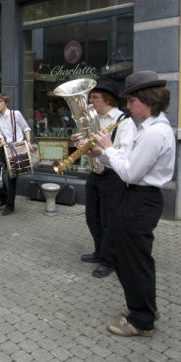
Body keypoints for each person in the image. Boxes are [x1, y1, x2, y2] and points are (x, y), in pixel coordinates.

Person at [92, 70, 175, 337]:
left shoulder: (154, 133)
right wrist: (102, 153)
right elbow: (125, 161)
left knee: (134, 260)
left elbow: (129, 172)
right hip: (134, 197)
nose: (127, 107)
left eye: (131, 101)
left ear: (147, 100)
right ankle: (143, 306)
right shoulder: (147, 128)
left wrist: (107, 148)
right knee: (124, 255)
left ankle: (142, 320)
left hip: (140, 198)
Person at [77, 79, 135, 278]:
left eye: (94, 97)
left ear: (108, 99)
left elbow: (123, 153)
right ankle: (99, 251)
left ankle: (109, 260)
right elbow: (92, 147)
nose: (90, 102)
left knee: (109, 221)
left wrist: (99, 150)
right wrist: (81, 143)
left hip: (113, 176)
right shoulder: (95, 119)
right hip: (96, 173)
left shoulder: (124, 122)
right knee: (92, 217)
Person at [0, 94, 33, 217]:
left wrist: (29, 142)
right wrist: (1, 140)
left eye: (0, 101)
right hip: (4, 148)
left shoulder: (16, 114)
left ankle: (10, 205)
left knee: (12, 178)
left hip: (17, 147)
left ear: (6, 103)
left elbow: (26, 128)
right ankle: (3, 197)